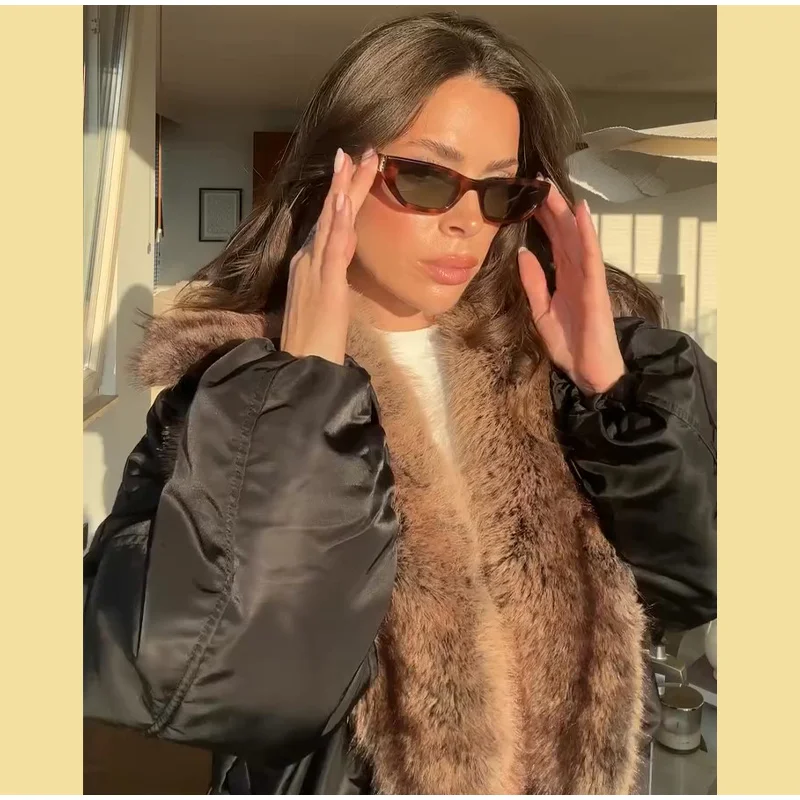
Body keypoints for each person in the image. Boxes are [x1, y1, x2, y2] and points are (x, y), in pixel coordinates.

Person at [84, 12, 716, 795]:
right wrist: (300, 399)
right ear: (336, 176)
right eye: (426, 177)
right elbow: (204, 688)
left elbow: (694, 585)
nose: (468, 221)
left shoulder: (553, 373)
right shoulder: (229, 392)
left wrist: (613, 392)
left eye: (500, 190)